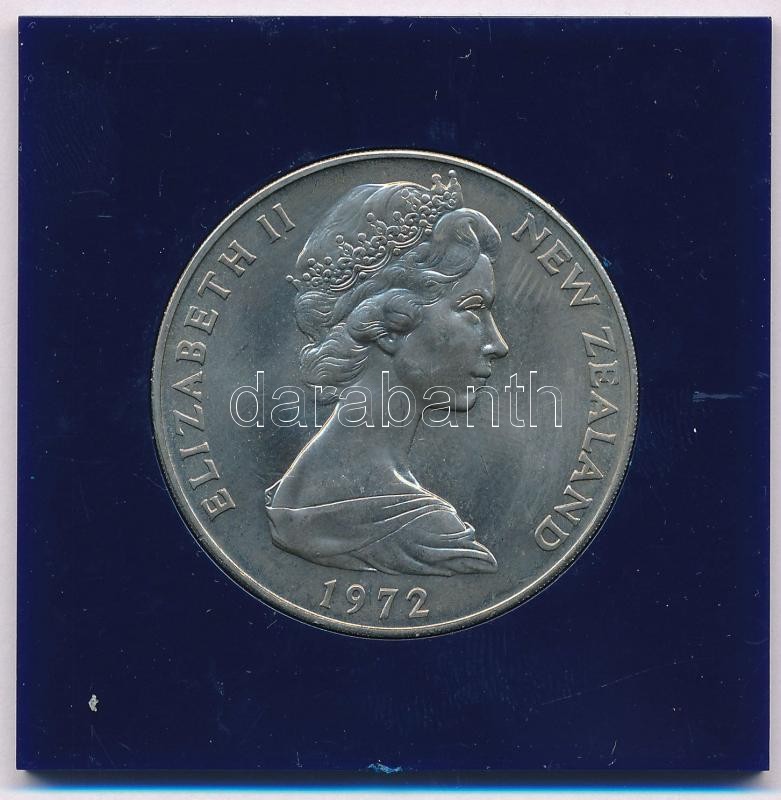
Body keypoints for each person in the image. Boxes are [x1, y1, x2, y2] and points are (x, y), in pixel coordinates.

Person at [265, 170, 509, 576]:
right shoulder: (430, 533)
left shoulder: (292, 494)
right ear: (390, 325)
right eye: (472, 309)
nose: (498, 344)